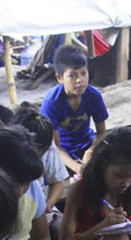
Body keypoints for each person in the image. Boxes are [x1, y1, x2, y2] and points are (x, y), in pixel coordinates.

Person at [40, 44, 108, 175]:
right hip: (62, 150)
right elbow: (54, 145)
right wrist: (75, 166)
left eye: (83, 73)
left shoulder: (94, 96)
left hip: (87, 144)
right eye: (72, 75)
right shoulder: (51, 102)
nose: (79, 80)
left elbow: (101, 133)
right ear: (59, 78)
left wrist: (91, 151)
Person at [10, 102, 71, 212]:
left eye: (42, 152)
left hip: (38, 207)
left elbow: (57, 182)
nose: (38, 156)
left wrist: (49, 204)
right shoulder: (2, 152)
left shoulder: (47, 145)